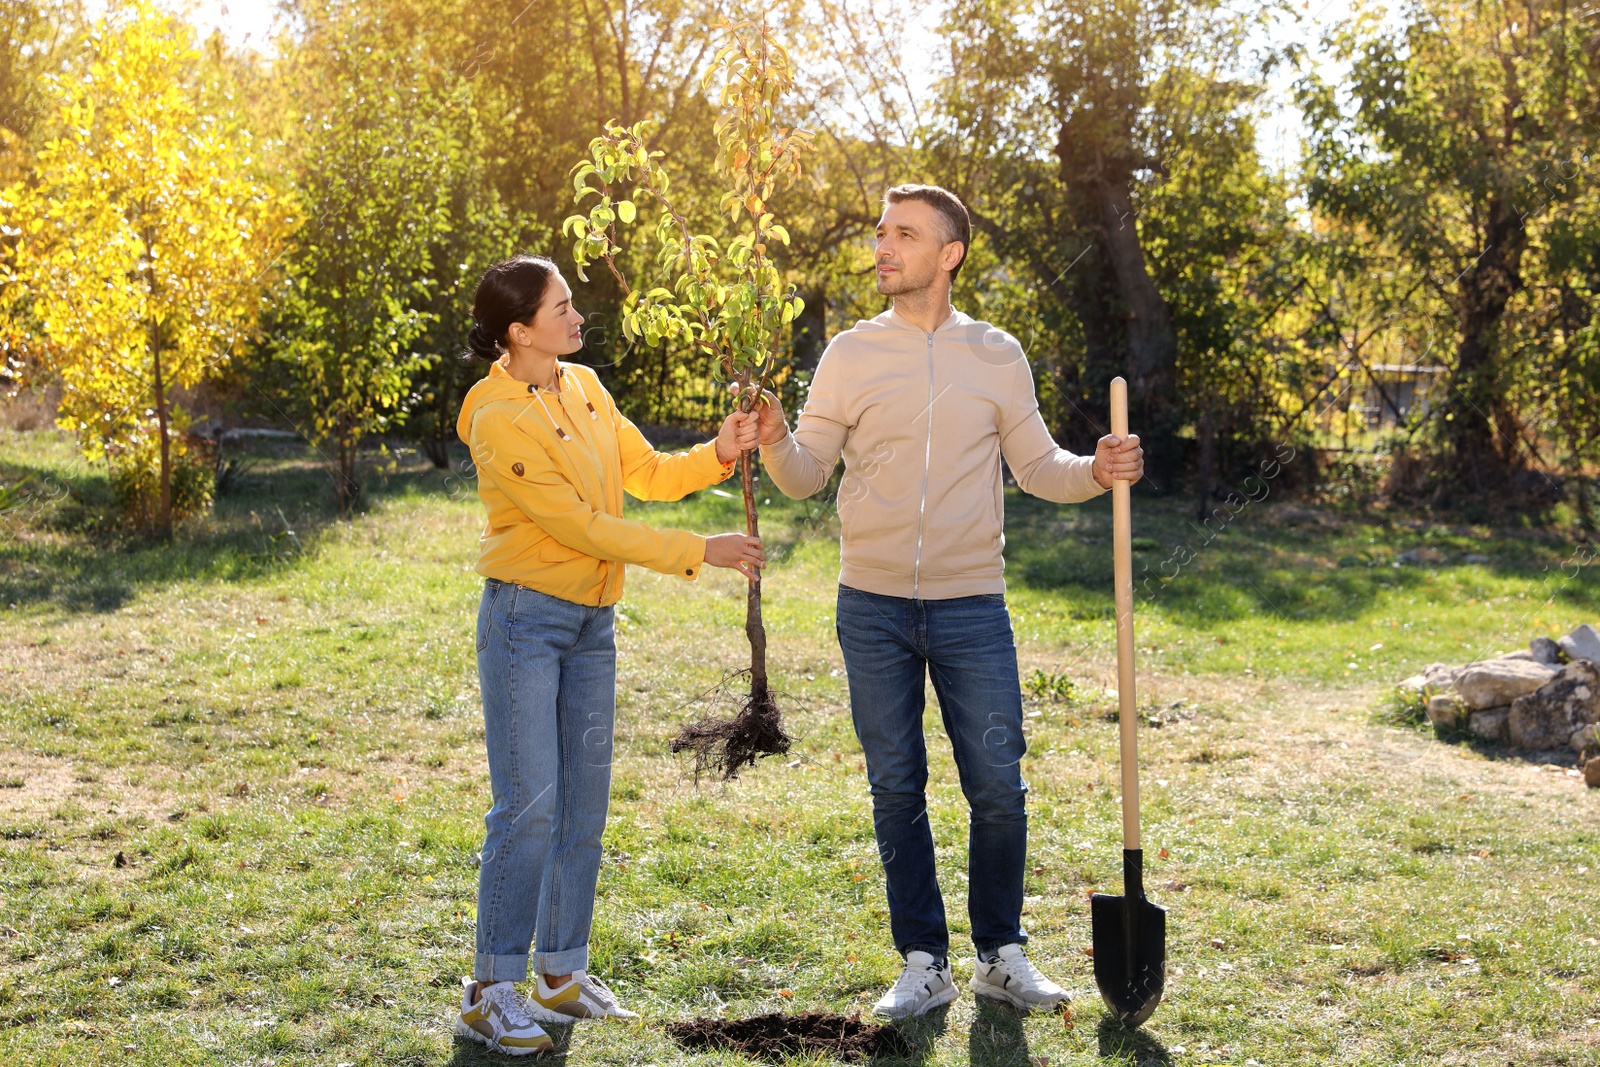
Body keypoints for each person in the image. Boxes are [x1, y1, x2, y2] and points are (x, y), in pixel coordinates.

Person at [747, 185, 1146, 1019]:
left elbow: (1039, 467)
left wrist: (1097, 470)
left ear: (949, 253)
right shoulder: (851, 353)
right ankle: (923, 961)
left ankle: (1001, 954)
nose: (883, 247)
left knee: (997, 785)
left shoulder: (997, 354)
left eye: (904, 234)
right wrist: (779, 437)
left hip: (972, 605)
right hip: (872, 605)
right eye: (882, 233)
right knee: (896, 784)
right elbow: (806, 474)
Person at [451, 254, 766, 1055]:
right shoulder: (495, 418)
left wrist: (720, 451)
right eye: (561, 307)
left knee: (582, 804)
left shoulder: (585, 386)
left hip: (595, 625)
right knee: (528, 806)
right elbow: (583, 529)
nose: (576, 314)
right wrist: (702, 548)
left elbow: (647, 474)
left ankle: (559, 971)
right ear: (519, 330)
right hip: (527, 620)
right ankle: (490, 991)